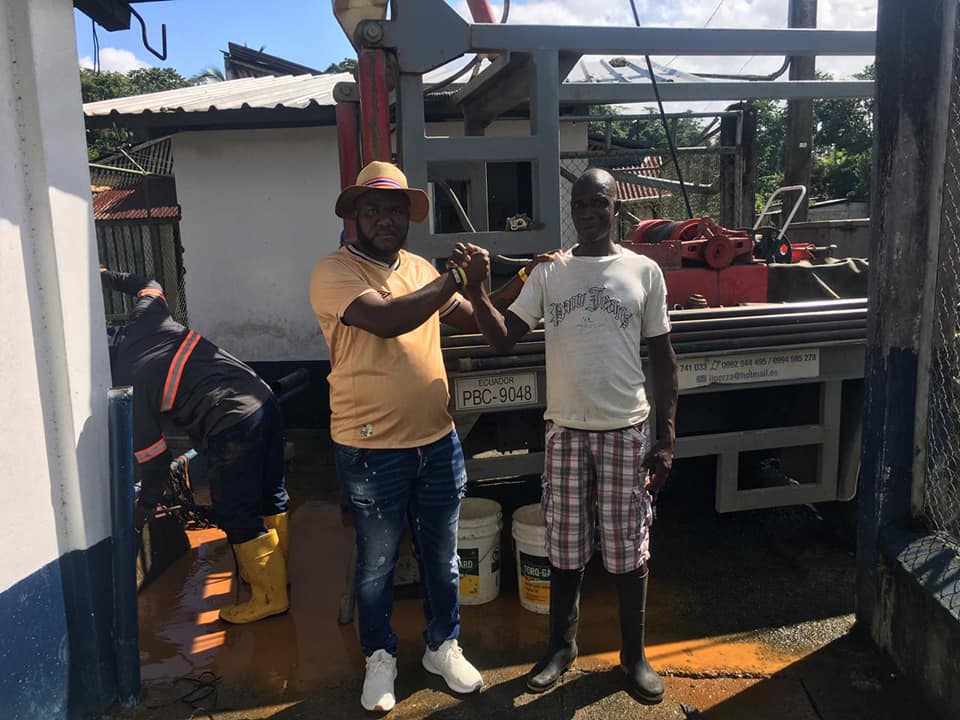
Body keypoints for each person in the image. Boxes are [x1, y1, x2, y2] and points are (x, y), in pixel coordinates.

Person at [309, 160, 554, 713]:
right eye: (373, 209)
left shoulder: (420, 268)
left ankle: (442, 645)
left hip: (437, 441)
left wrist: (520, 278)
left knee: (442, 558)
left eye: (395, 209)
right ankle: (380, 656)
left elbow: (477, 319)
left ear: (409, 217)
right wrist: (455, 278)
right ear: (354, 216)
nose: (385, 219)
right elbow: (388, 319)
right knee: (377, 564)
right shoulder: (333, 273)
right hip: (370, 447)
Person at [458, 168, 679, 704]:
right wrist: (478, 291)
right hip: (565, 431)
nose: (588, 212)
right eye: (579, 203)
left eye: (598, 202)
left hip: (625, 429)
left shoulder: (644, 271)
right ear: (571, 210)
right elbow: (503, 341)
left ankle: (634, 656)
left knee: (629, 549)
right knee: (565, 545)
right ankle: (561, 647)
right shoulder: (550, 273)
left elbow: (664, 359)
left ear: (615, 208)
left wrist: (667, 437)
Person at [101, 268, 290, 625]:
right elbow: (148, 284)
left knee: (235, 509)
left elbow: (156, 462)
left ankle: (270, 596)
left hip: (229, 421)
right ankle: (276, 572)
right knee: (270, 494)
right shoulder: (146, 319)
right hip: (262, 399)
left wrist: (145, 507)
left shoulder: (129, 385)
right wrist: (108, 276)